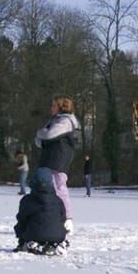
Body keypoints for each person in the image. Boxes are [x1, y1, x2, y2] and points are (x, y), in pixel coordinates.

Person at [35, 95, 80, 231]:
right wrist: (41, 136)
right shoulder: (55, 120)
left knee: (60, 188)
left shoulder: (66, 121)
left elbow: (48, 134)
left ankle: (67, 218)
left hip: (59, 159)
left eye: (54, 105)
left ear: (61, 107)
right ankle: (54, 217)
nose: (51, 108)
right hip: (51, 158)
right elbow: (39, 141)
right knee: (51, 188)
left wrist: (40, 133)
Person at [13, 167, 69, 255]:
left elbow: (22, 219)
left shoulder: (28, 200)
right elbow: (63, 217)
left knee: (23, 225)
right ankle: (55, 244)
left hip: (34, 234)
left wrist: (20, 233)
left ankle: (30, 243)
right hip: (58, 235)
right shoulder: (58, 200)